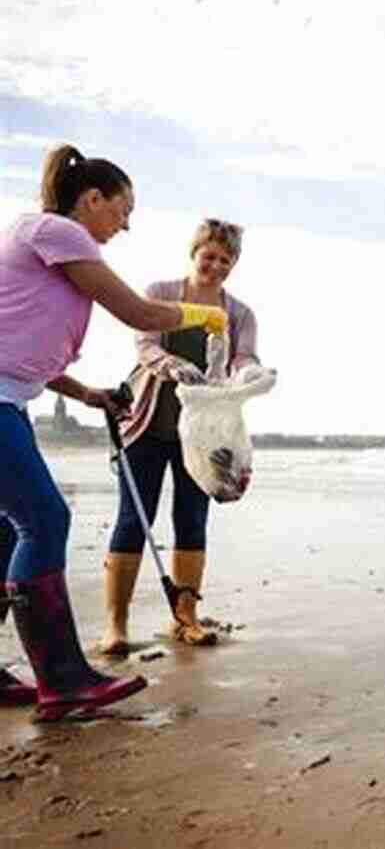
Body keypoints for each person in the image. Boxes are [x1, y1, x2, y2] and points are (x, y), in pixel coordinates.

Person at [0, 144, 227, 721]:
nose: (125, 224)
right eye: (122, 209)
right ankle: (63, 680)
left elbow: (29, 353)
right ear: (92, 199)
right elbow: (138, 312)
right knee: (45, 520)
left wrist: (87, 394)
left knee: (6, 532)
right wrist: (207, 315)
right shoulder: (57, 230)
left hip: (11, 399)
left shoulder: (47, 244)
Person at [98, 219, 260, 655]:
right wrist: (172, 366)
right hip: (148, 422)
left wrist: (251, 373)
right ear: (194, 254)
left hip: (202, 437)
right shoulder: (162, 291)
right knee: (135, 519)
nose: (216, 265)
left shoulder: (239, 313)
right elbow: (146, 344)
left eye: (226, 260)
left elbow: (244, 356)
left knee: (191, 519)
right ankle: (115, 624)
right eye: (209, 255)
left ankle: (184, 618)